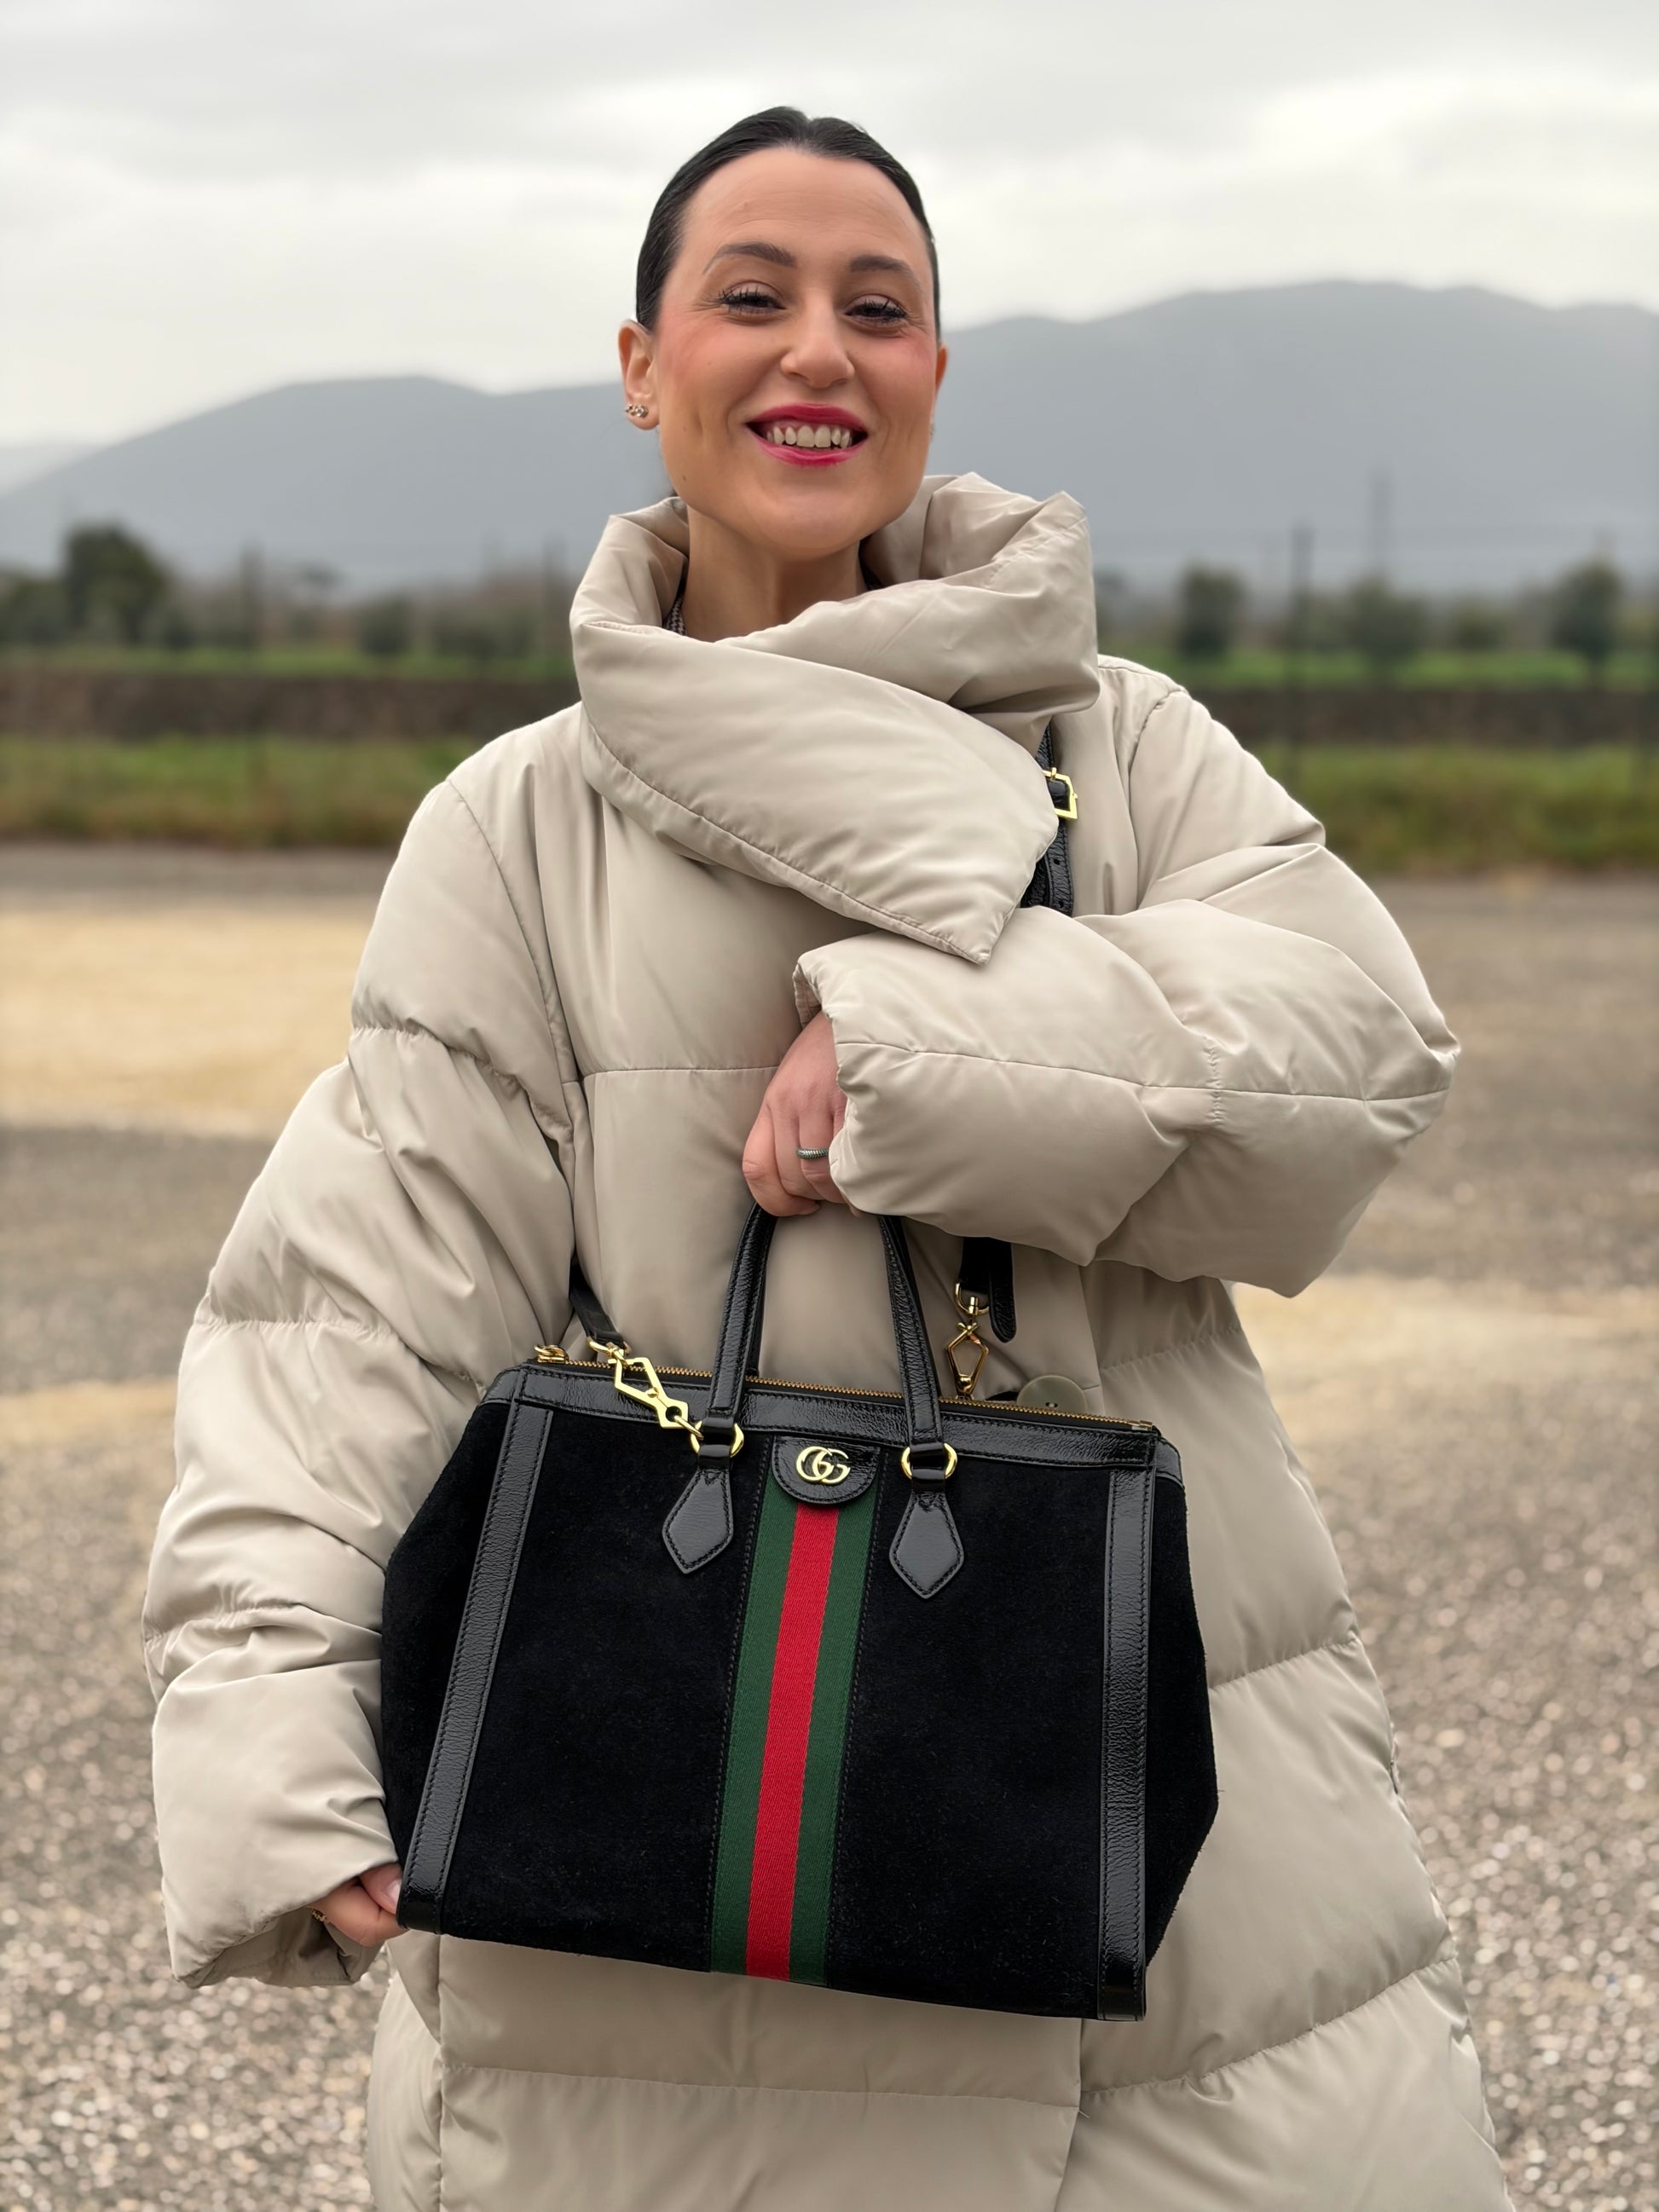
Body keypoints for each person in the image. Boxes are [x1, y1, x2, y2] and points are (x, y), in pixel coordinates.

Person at [143, 107, 1512, 2211]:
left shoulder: (1120, 745)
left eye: (878, 307)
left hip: (1167, 1899)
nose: (818, 350)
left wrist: (913, 1043)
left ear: (934, 373)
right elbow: (357, 1303)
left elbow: (1349, 1061)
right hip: (659, 1897)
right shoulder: (515, 828)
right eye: (750, 296)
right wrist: (278, 1732)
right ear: (641, 365)